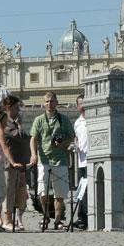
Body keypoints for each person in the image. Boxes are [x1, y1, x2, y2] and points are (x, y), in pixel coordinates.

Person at [30, 91, 75, 230]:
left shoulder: (63, 119)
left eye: (52, 101)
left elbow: (71, 137)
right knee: (42, 192)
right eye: (47, 101)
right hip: (44, 160)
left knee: (59, 194)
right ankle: (45, 217)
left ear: (56, 102)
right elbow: (33, 138)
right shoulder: (39, 120)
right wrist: (33, 154)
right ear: (44, 103)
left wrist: (63, 144)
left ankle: (57, 220)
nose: (49, 104)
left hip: (60, 160)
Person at [2, 95, 30, 231]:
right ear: (8, 107)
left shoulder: (13, 122)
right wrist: (20, 125)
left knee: (19, 192)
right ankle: (7, 219)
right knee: (9, 192)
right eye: (16, 107)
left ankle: (15, 219)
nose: (18, 110)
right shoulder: (6, 122)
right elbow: (20, 136)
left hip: (19, 163)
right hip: (9, 164)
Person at [71, 94, 88, 229]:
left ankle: (84, 217)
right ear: (77, 107)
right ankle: (82, 218)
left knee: (88, 191)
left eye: (84, 103)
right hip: (82, 161)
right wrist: (74, 146)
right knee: (82, 191)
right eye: (80, 104)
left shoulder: (95, 119)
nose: (83, 106)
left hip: (93, 160)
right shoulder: (77, 123)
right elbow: (77, 139)